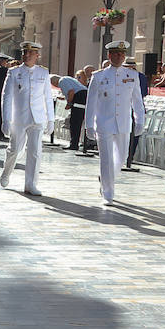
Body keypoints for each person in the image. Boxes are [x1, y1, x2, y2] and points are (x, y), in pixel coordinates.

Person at [85, 41, 146, 206]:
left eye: (122, 54)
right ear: (109, 55)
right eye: (116, 54)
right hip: (104, 123)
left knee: (122, 157)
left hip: (124, 123)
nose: (119, 57)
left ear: (124, 56)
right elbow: (91, 102)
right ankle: (108, 193)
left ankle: (105, 178)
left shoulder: (132, 75)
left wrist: (140, 120)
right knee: (106, 159)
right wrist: (89, 124)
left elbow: (137, 100)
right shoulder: (99, 76)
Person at [0, 41, 54, 195]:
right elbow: (7, 97)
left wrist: (50, 119)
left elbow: (48, 97)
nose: (27, 55)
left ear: (37, 55)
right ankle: (6, 172)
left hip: (37, 118)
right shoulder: (14, 72)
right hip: (19, 118)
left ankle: (30, 184)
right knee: (15, 149)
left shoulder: (43, 73)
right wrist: (6, 119)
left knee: (35, 151)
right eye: (25, 52)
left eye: (31, 53)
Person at [52, 72, 88, 150]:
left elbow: (71, 92)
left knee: (75, 122)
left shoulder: (62, 81)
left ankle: (74, 145)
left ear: (54, 82)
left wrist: (68, 103)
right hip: (83, 97)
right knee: (77, 122)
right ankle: (75, 143)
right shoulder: (67, 79)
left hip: (79, 99)